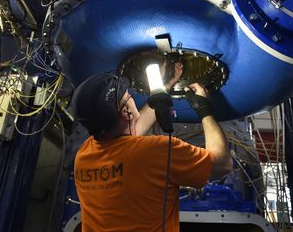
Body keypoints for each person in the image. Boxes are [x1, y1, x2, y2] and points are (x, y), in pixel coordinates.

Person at [72, 61, 232, 232]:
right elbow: (222, 163)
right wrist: (204, 109)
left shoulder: (84, 155)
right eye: (128, 96)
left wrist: (163, 88)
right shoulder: (159, 151)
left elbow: (129, 137)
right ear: (127, 112)